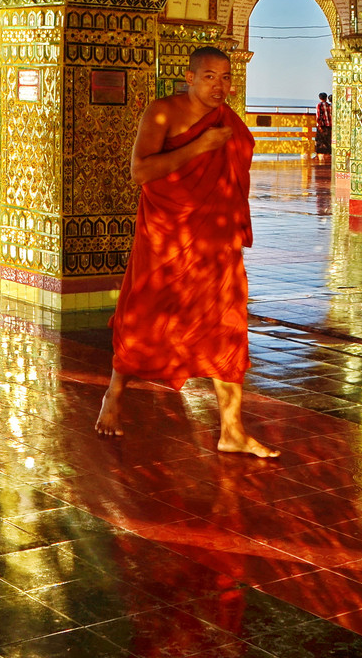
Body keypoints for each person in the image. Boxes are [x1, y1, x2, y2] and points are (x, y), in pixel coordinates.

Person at [94, 46, 278, 457]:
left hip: (214, 240)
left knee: (227, 323)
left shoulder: (227, 123)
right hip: (166, 235)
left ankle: (231, 429)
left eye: (227, 77)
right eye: (210, 76)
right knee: (148, 312)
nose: (220, 86)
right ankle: (113, 394)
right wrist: (201, 146)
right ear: (190, 76)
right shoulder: (163, 112)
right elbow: (140, 171)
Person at [314, 92, 333, 161]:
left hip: (322, 125)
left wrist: (319, 125)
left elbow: (318, 116)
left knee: (320, 140)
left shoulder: (319, 105)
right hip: (329, 125)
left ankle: (320, 154)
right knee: (327, 140)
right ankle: (327, 154)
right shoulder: (329, 105)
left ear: (320, 98)